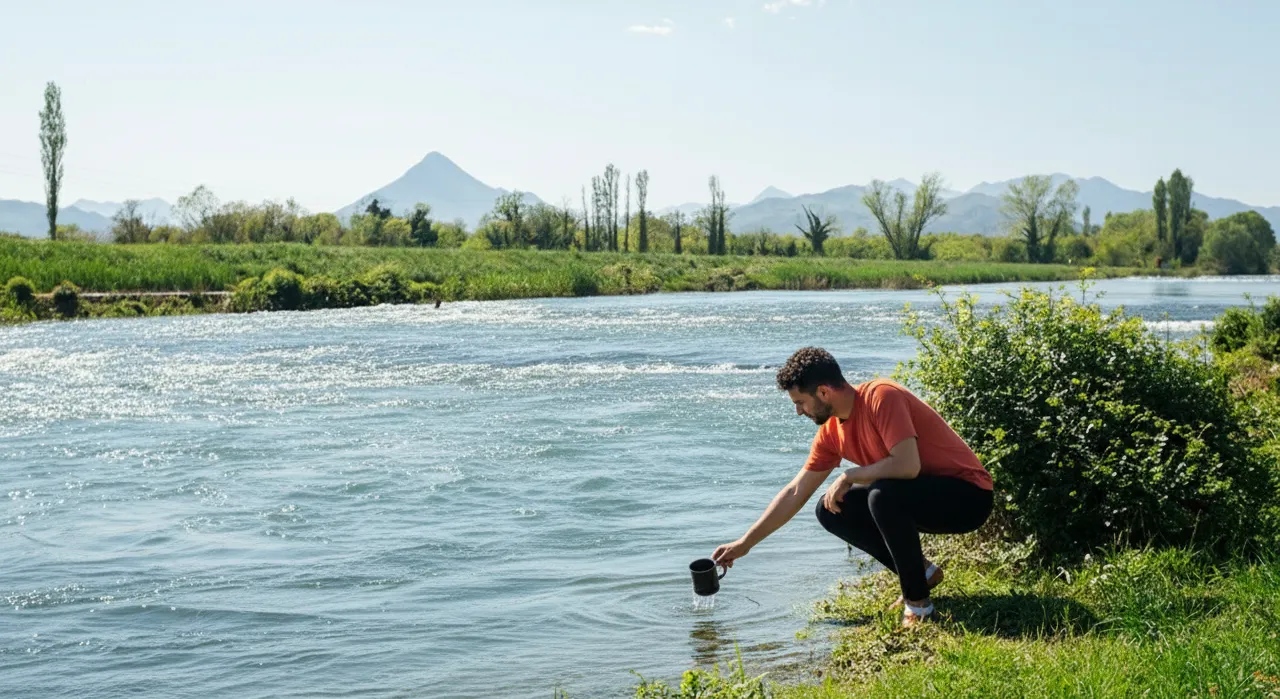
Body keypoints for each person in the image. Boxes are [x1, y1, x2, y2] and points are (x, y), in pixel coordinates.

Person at [712, 347, 994, 626]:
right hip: (919, 498)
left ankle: (919, 605)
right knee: (830, 508)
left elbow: (908, 466)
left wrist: (849, 476)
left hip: (969, 497)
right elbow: (796, 491)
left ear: (823, 392)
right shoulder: (831, 432)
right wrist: (745, 543)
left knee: (882, 495)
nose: (798, 412)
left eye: (800, 402)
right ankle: (923, 574)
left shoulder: (881, 396)